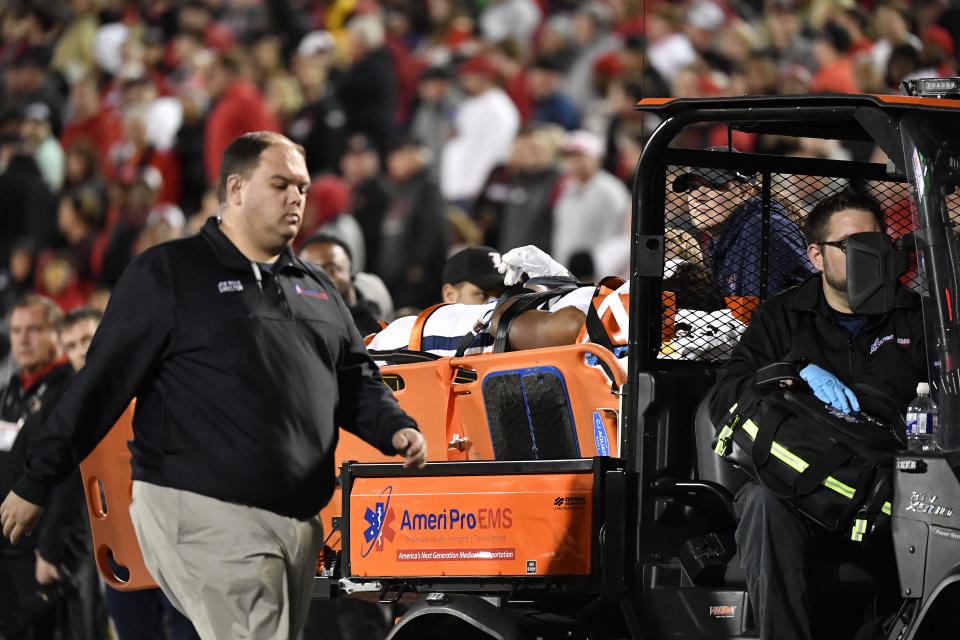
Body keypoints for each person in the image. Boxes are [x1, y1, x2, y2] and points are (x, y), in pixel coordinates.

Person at [0, 131, 427, 640]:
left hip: (297, 519)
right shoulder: (170, 274)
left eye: (303, 187)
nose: (296, 197)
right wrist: (36, 480)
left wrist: (395, 427)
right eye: (281, 183)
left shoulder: (315, 287)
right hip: (201, 508)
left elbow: (355, 380)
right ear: (237, 188)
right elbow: (98, 387)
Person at [708, 189, 927, 640]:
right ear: (816, 255)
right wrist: (790, 372)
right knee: (764, 502)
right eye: (850, 246)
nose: (868, 255)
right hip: (804, 491)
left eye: (876, 242)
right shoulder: (781, 318)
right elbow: (726, 395)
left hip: (893, 488)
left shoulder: (918, 320)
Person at [58, 306, 200, 640]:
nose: (81, 350)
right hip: (119, 541)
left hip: (173, 535)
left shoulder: (154, 385)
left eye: (87, 339)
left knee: (187, 629)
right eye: (71, 344)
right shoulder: (73, 408)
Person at [0, 295, 91, 640]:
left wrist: (51, 551)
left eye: (34, 330)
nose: (23, 339)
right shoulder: (13, 390)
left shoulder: (70, 390)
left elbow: (70, 481)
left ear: (56, 334)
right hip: (10, 548)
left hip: (45, 553)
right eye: (16, 331)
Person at [673, 146, 813, 298]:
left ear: (745, 192)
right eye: (693, 187)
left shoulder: (762, 228)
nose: (698, 196)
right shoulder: (724, 240)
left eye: (714, 185)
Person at [299, 234, 386, 336]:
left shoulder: (376, 337)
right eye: (308, 271)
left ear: (352, 273)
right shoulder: (290, 327)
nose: (318, 278)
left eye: (331, 269)